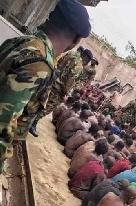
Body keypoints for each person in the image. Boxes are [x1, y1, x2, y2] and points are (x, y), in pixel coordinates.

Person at [0, 0, 91, 173]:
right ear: (76, 40)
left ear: (50, 17)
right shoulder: (40, 65)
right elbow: (3, 121)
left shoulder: (23, 41)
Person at [29, 46, 87, 137]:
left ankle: (29, 118)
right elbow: (71, 80)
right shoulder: (79, 64)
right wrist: (66, 93)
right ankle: (32, 122)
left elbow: (59, 62)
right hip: (59, 89)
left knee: (40, 100)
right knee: (48, 107)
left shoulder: (70, 53)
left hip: (52, 80)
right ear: (86, 59)